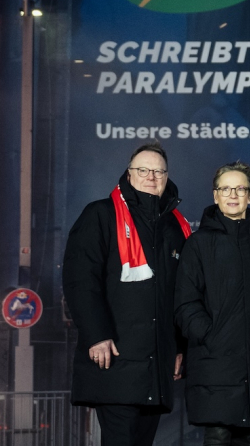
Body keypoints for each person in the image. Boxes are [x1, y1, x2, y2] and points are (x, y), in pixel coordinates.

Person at [62, 142, 191, 446]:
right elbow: (80, 279)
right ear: (129, 174)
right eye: (143, 169)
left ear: (167, 176)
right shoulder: (100, 215)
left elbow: (182, 294)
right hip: (116, 360)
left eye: (158, 170)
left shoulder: (176, 226)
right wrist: (96, 335)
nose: (151, 176)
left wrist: (179, 346)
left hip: (155, 367)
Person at [175, 162, 250, 446]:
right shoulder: (199, 243)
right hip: (215, 361)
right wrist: (212, 335)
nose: (233, 194)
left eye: (240, 188)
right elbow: (185, 302)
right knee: (218, 436)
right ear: (215, 195)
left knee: (249, 436)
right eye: (226, 188)